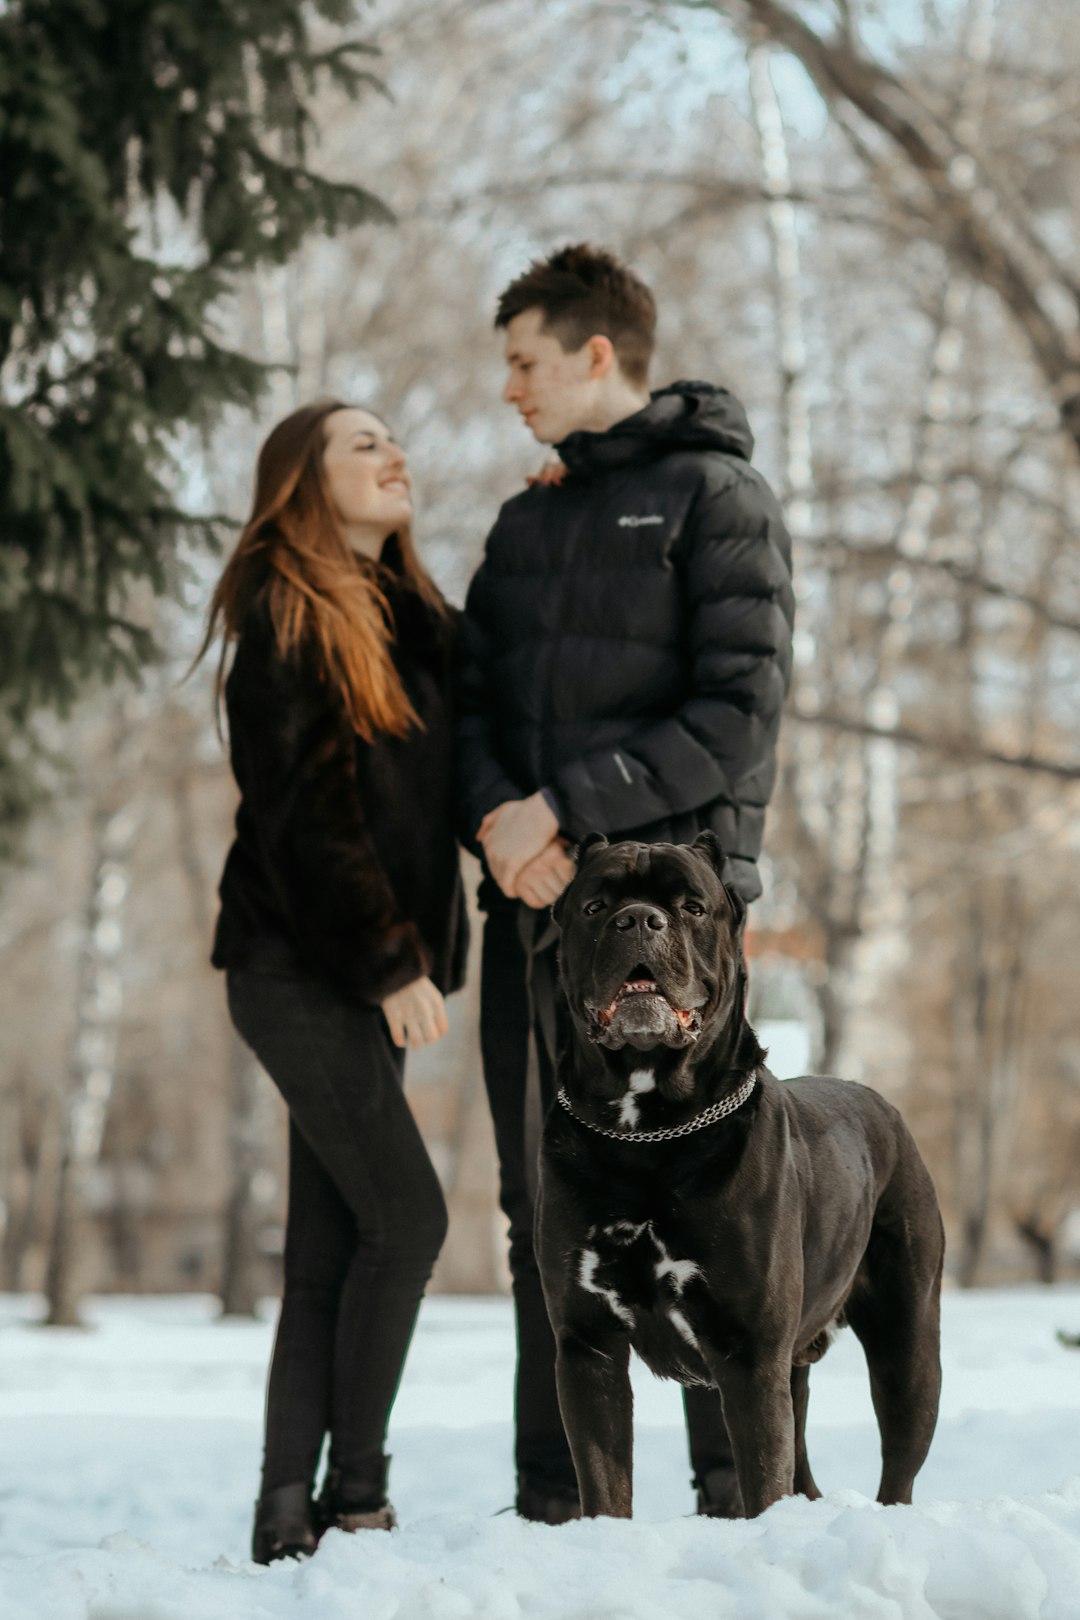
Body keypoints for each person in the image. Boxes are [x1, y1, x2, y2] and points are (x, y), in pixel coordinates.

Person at [457, 244, 795, 1523]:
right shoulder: (527, 517)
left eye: (524, 362)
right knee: (537, 1198)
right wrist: (502, 819)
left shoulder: (721, 500)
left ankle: (735, 1507)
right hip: (537, 915)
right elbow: (475, 699)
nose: (510, 390)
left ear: (597, 355)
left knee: (719, 1195)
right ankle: (557, 1511)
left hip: (681, 925)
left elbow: (739, 714)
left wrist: (564, 808)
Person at [197, 400, 468, 1562]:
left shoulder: (409, 618)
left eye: (394, 440)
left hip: (350, 980)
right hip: (301, 971)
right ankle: (355, 1496)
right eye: (363, 444)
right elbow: (311, 822)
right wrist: (393, 961)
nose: (393, 454)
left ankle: (283, 1519)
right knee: (409, 1222)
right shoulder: (287, 619)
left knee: (329, 1254)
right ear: (303, 483)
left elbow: (487, 700)